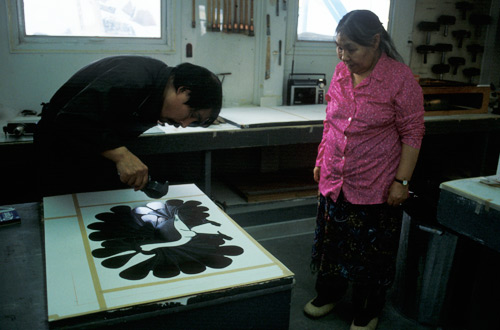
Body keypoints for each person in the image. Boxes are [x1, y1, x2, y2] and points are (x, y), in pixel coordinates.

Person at [303, 10, 425, 330]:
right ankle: (329, 293)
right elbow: (332, 121)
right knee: (332, 244)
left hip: (374, 184)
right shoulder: (342, 72)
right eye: (338, 47)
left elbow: (413, 133)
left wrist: (402, 180)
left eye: (351, 49)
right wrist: (320, 159)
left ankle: (367, 308)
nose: (343, 56)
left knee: (370, 252)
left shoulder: (400, 79)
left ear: (374, 41)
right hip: (334, 178)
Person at [34, 55, 222, 197]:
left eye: (194, 123)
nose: (183, 124)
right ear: (183, 91)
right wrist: (122, 155)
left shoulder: (158, 91)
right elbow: (71, 119)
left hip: (89, 153)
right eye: (191, 115)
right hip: (59, 151)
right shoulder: (134, 78)